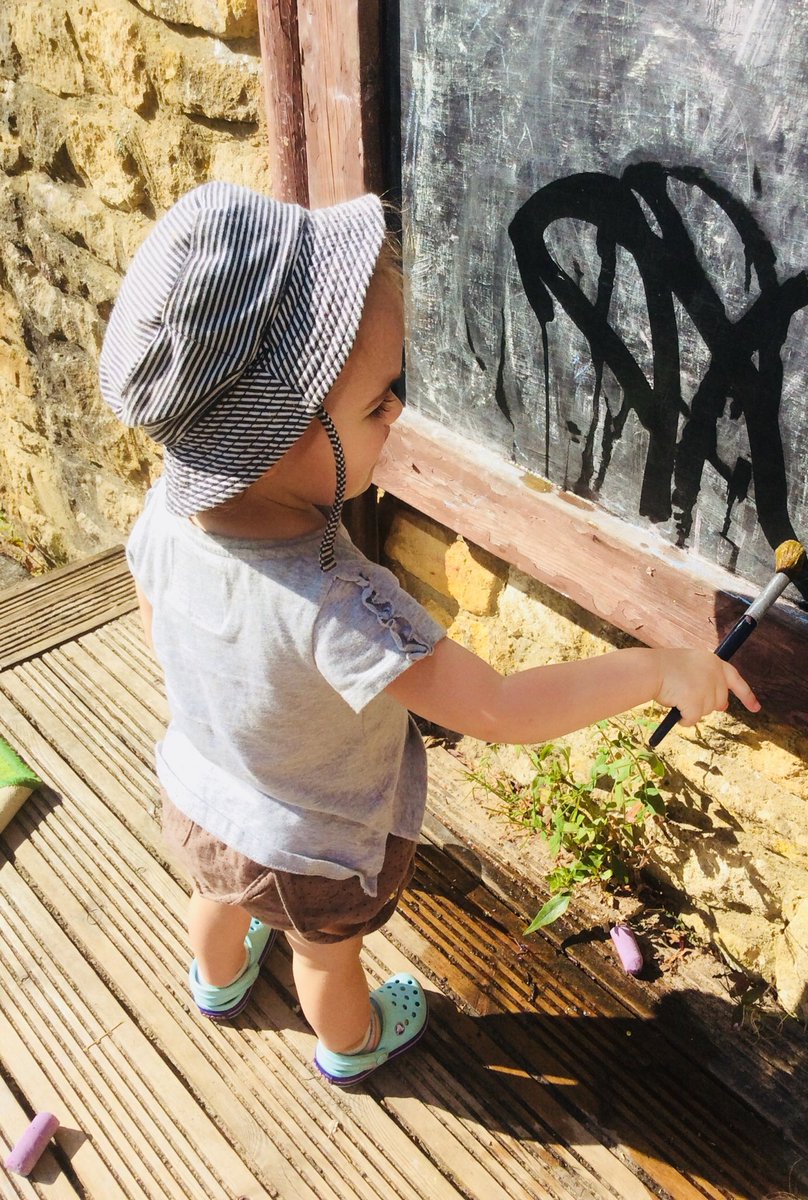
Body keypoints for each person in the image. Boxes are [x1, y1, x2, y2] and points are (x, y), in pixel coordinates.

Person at [100, 181, 759, 1087]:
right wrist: (657, 670)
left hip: (198, 793)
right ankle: (351, 1043)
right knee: (324, 959)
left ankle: (216, 984)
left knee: (215, 893)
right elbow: (496, 707)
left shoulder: (163, 516)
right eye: (378, 403)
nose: (397, 414)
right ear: (281, 435)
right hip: (313, 850)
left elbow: (158, 630)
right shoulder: (339, 603)